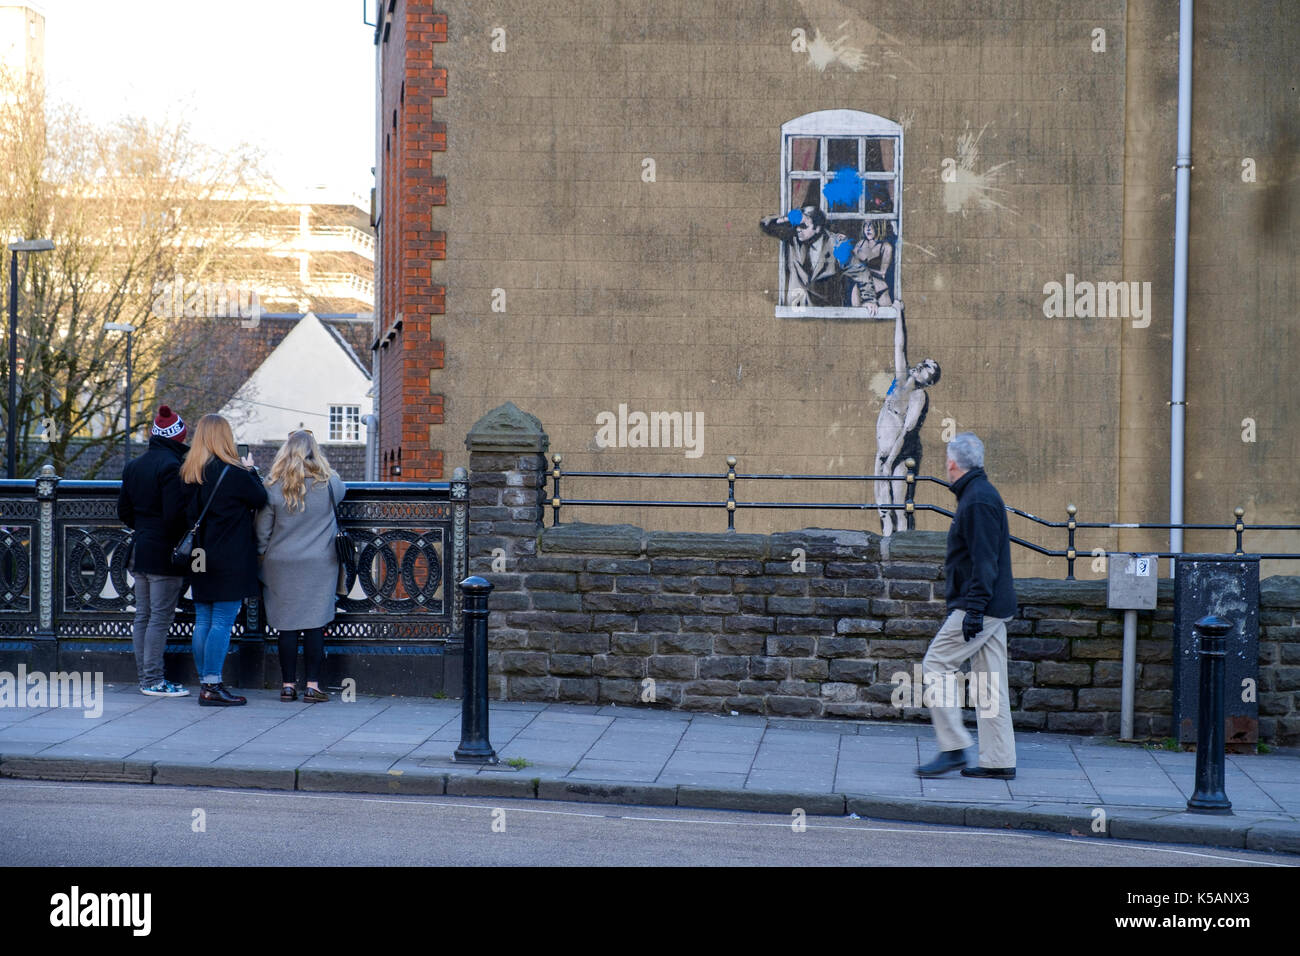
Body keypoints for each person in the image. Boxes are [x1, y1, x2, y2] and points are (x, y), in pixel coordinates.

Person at [915, 433, 1018, 779]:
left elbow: (984, 562)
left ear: (952, 464)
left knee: (935, 665)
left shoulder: (976, 501)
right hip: (992, 605)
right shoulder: (980, 496)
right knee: (991, 684)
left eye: (946, 462)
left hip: (981, 607)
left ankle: (954, 746)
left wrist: (973, 610)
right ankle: (999, 760)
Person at [179, 414, 267, 706]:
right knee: (222, 620)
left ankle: (206, 682)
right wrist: (251, 469)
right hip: (229, 556)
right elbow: (261, 498)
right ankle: (212, 684)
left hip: (199, 556)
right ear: (225, 438)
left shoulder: (190, 472)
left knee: (203, 618)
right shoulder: (235, 474)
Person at [255, 430, 346, 703]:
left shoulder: (272, 486)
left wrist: (260, 559)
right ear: (315, 453)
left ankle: (287, 686)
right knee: (315, 624)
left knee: (287, 626)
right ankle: (313, 686)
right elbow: (340, 495)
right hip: (320, 563)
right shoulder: (331, 484)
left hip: (281, 564)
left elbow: (262, 533)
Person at [117, 405, 191, 697]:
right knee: (160, 618)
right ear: (178, 438)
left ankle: (144, 678)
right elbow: (175, 516)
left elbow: (123, 510)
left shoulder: (133, 466)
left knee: (143, 616)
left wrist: (145, 528)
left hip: (139, 549)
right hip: (163, 553)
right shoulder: (172, 467)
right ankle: (154, 680)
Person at [874, 301, 940, 536]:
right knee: (883, 507)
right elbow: (899, 346)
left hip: (900, 456)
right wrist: (898, 313)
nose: (922, 366)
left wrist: (891, 461)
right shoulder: (901, 379)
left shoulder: (918, 396)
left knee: (899, 507)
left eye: (928, 369)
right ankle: (885, 550)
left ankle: (900, 550)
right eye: (924, 363)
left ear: (928, 381)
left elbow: (907, 431)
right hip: (882, 454)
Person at [759, 205, 851, 308]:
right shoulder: (793, 239)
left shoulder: (835, 243)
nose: (798, 229)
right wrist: (787, 218)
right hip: (797, 309)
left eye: (803, 226)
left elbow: (859, 271)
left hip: (826, 311)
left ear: (818, 228)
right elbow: (764, 224)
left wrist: (869, 300)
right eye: (797, 225)